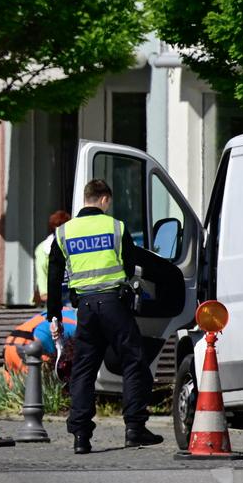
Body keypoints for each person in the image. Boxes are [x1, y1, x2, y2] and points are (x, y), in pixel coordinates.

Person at [48, 179, 163, 454]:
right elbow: (130, 265)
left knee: (83, 370)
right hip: (114, 305)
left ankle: (80, 436)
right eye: (108, 202)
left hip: (85, 309)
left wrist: (55, 317)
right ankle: (135, 429)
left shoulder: (64, 232)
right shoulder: (116, 227)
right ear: (103, 200)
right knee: (134, 361)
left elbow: (54, 277)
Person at [34, 210, 72, 305]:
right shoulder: (43, 248)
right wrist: (44, 292)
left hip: (69, 291)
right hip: (55, 292)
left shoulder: (43, 247)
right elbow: (41, 271)